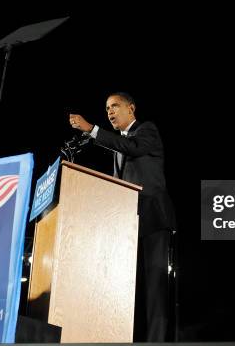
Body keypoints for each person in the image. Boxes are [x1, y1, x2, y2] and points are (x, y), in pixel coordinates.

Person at [69, 92, 176, 342]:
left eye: (115, 106)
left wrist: (92, 129)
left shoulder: (146, 130)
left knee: (155, 290)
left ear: (131, 108)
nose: (110, 112)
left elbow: (132, 147)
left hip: (153, 219)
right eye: (107, 108)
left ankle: (156, 342)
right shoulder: (119, 144)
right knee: (126, 288)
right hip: (126, 224)